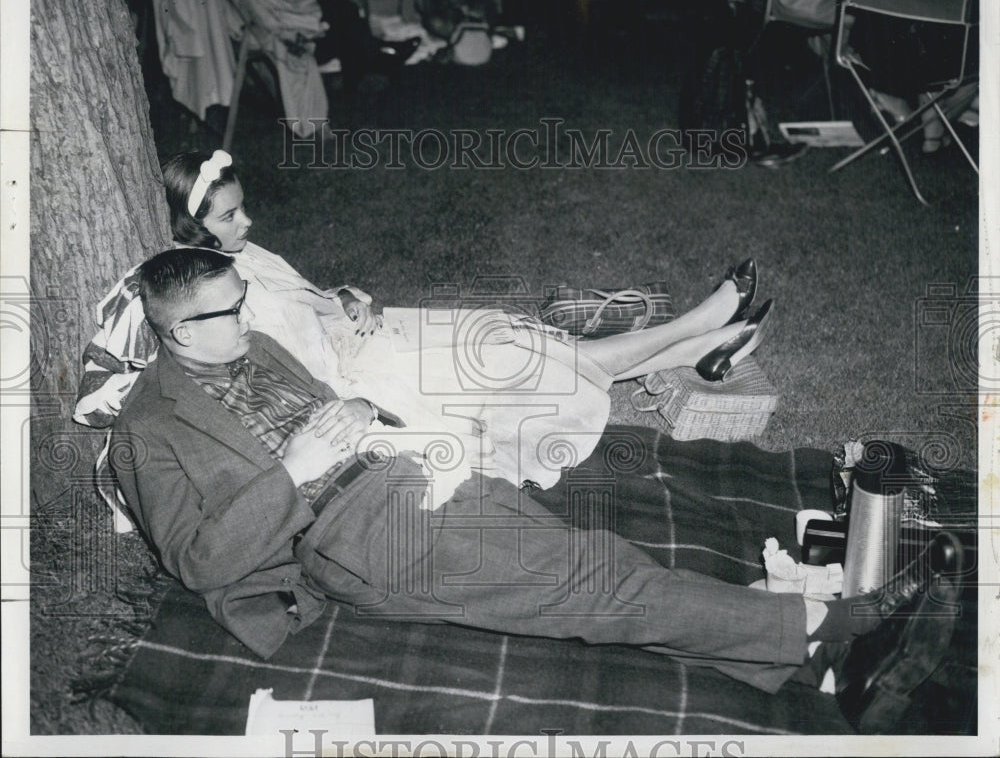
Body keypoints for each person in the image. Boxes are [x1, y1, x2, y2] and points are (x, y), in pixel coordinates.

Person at [110, 247, 963, 729]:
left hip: (411, 468)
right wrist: (293, 471)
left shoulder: (251, 349)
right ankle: (833, 622)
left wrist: (371, 415)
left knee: (596, 564)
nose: (250, 316)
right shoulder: (149, 428)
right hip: (352, 537)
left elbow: (328, 404)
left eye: (244, 297)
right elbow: (199, 557)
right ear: (177, 329)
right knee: (596, 585)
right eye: (230, 310)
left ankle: (802, 662)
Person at [76, 150, 772, 493]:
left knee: (513, 335)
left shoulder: (241, 254)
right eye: (229, 215)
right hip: (360, 376)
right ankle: (705, 329)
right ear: (188, 228)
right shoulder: (206, 295)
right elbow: (286, 373)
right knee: (517, 361)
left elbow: (306, 298)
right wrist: (347, 336)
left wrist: (346, 300)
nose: (247, 222)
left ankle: (702, 338)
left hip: (367, 338)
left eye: (241, 208)